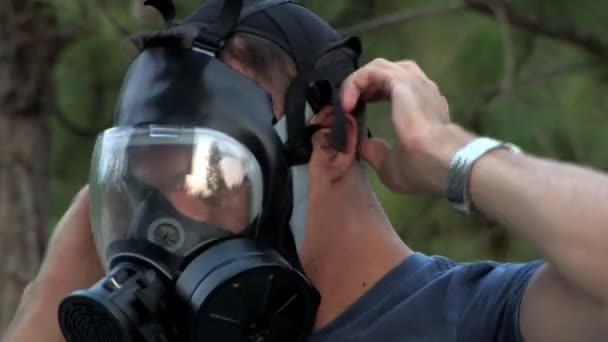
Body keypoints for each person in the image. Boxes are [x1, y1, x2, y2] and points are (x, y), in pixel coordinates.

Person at [5, 12, 608, 342]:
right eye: (145, 187)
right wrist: (56, 290)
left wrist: (453, 153)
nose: (168, 225)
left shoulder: (475, 317)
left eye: (200, 179)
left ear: (335, 140)